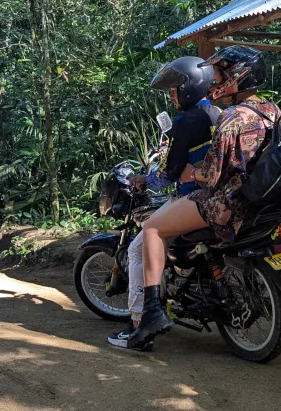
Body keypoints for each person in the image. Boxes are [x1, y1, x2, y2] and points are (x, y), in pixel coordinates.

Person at [127, 45, 279, 350]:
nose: (214, 82)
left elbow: (211, 174)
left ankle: (152, 312)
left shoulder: (233, 117)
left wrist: (191, 174)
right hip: (259, 198)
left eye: (220, 76)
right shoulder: (271, 111)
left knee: (152, 229)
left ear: (236, 78)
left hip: (226, 202)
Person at [108, 56, 220, 350]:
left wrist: (144, 180)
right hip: (220, 194)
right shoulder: (218, 113)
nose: (172, 95)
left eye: (175, 89)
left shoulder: (186, 121)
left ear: (189, 87)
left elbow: (168, 175)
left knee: (138, 248)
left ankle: (140, 321)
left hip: (192, 197)